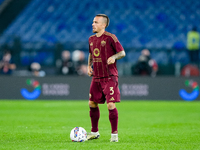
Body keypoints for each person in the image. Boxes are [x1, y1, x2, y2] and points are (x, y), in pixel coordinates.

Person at [87, 14, 126, 142]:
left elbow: (122, 53)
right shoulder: (91, 39)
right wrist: (88, 66)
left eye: (96, 22)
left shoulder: (110, 37)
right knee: (92, 103)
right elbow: (91, 54)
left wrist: (114, 57)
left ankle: (114, 135)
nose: (93, 24)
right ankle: (94, 132)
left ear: (103, 25)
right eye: (93, 22)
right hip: (96, 77)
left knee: (110, 105)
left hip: (109, 76)